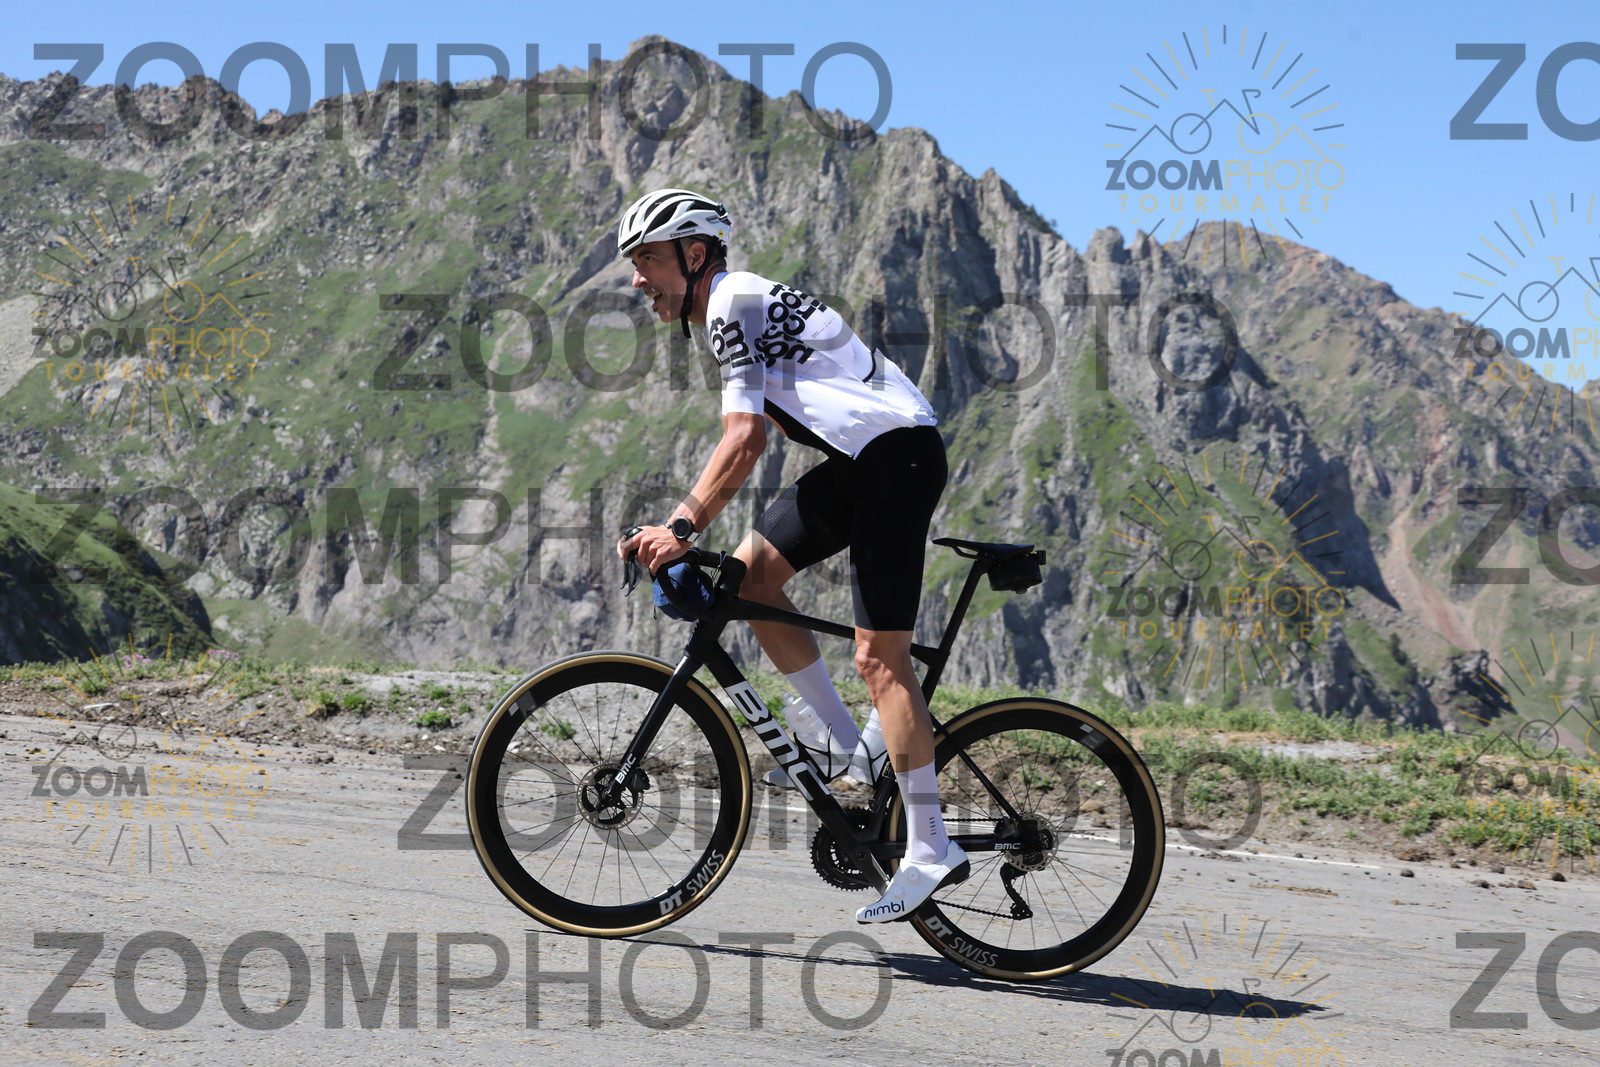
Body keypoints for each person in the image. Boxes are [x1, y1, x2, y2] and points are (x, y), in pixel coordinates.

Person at [613, 188, 967, 923]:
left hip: (895, 461)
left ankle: (930, 846)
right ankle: (843, 746)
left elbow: (744, 439)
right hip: (862, 461)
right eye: (634, 264)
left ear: (695, 254)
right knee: (752, 578)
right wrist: (688, 524)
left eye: (647, 259)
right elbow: (765, 424)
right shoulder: (732, 304)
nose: (638, 279)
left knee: (880, 660)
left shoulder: (729, 302)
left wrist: (681, 526)